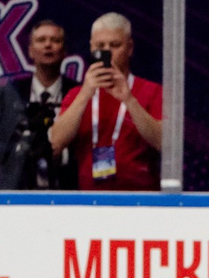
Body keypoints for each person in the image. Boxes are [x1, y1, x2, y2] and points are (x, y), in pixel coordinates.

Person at [46, 12, 163, 191]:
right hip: (90, 200)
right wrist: (85, 94)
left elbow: (163, 142)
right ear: (92, 48)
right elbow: (54, 144)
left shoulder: (152, 90)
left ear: (130, 48)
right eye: (100, 45)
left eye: (115, 45)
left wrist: (129, 100)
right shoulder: (77, 94)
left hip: (140, 200)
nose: (107, 51)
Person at [0, 15, 76, 190]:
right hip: (19, 194)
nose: (48, 45)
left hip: (67, 194)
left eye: (55, 40)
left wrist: (58, 152)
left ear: (65, 51)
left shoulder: (78, 93)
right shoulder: (10, 93)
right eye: (41, 40)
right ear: (30, 51)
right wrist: (23, 149)